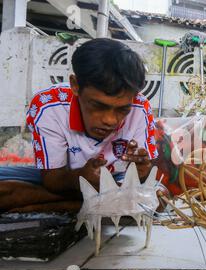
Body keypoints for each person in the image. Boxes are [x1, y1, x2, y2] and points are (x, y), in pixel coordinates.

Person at [0, 38, 158, 213]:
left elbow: (142, 176)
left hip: (115, 180)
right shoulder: (48, 105)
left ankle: (50, 205)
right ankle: (102, 204)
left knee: (159, 195)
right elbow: (52, 180)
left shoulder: (140, 107)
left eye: (122, 109)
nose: (110, 120)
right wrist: (80, 179)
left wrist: (140, 174)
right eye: (98, 106)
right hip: (65, 178)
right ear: (75, 86)